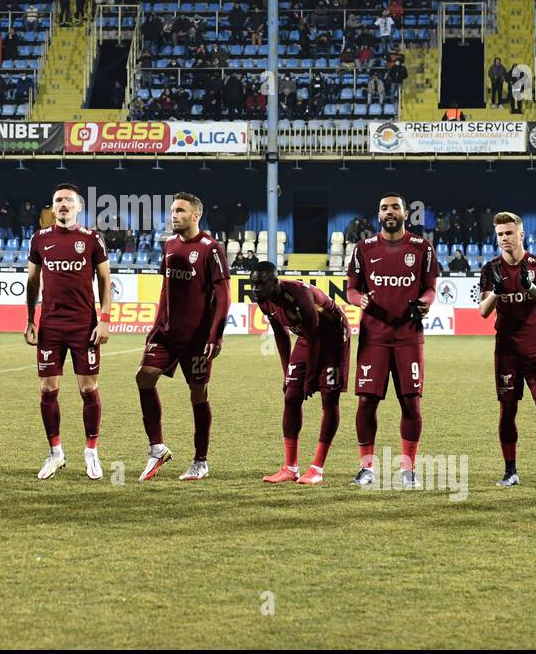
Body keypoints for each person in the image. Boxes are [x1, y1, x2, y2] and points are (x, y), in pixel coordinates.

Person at [135, 192, 230, 482]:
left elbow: (224, 298)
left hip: (197, 339)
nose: (173, 215)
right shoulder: (170, 244)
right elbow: (166, 289)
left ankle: (200, 461)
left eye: (180, 211)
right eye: (173, 211)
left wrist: (216, 336)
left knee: (198, 394)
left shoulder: (210, 248)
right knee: (144, 377)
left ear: (195, 215)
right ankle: (157, 448)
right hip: (165, 333)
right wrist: (156, 324)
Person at [344, 193, 437, 487]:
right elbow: (351, 290)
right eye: (384, 208)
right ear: (379, 214)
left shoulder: (422, 247)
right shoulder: (364, 248)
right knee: (366, 402)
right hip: (374, 338)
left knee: (411, 403)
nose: (389, 212)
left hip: (409, 338)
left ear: (405, 213)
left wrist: (424, 301)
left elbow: (431, 289)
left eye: (395, 207)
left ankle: (408, 470)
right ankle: (367, 468)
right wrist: (362, 300)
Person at [24, 184, 112, 481]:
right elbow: (32, 283)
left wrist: (105, 319)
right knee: (48, 389)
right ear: (52, 207)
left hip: (84, 325)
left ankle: (91, 452)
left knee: (88, 389)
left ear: (79, 207)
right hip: (50, 325)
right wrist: (30, 320)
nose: (63, 204)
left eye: (68, 200)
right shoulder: (40, 239)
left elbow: (104, 280)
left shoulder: (91, 239)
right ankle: (56, 453)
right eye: (58, 200)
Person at [478, 212, 536, 488]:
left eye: (509, 233)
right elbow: (482, 311)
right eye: (500, 234)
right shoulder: (490, 269)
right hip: (506, 352)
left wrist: (528, 286)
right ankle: (510, 471)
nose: (504, 238)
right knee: (507, 410)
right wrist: (497, 292)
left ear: (521, 235)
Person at [251, 263, 351, 485]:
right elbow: (280, 334)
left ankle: (316, 468)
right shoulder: (263, 300)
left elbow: (316, 337)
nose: (255, 289)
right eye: (253, 284)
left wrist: (310, 379)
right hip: (308, 338)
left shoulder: (300, 296)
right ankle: (290, 467)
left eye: (260, 284)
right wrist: (287, 373)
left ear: (275, 282)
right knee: (291, 397)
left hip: (333, 338)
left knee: (329, 399)